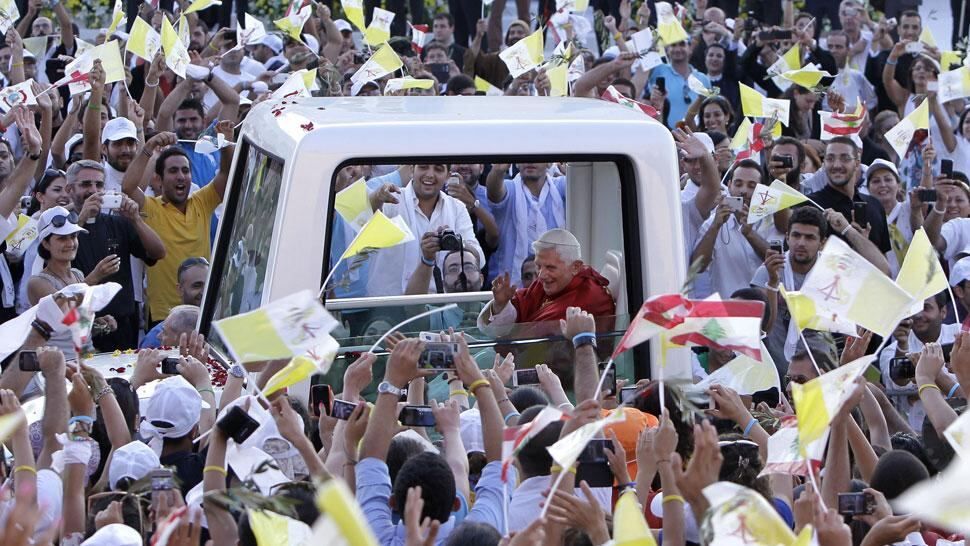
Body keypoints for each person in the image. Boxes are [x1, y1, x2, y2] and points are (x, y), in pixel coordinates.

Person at [120, 126, 231, 325]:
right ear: (159, 179)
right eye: (173, 171)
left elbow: (226, 174)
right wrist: (149, 147)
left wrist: (225, 144)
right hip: (165, 317)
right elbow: (128, 187)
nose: (180, 176)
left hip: (201, 311)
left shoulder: (202, 202)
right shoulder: (150, 207)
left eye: (185, 171)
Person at [67, 160, 166, 351]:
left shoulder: (118, 223)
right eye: (86, 184)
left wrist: (135, 219)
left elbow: (158, 252)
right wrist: (81, 219)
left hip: (122, 323)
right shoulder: (61, 226)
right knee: (83, 368)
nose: (93, 190)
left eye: (99, 185)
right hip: (82, 320)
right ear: (70, 189)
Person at [366, 163, 484, 296]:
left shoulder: (457, 208)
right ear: (412, 170)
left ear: (447, 176)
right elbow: (361, 221)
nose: (430, 174)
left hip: (438, 304)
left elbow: (479, 258)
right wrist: (376, 198)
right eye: (423, 167)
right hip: (387, 301)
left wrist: (455, 242)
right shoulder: (390, 199)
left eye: (438, 169)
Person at [478, 228, 614, 331]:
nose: (541, 275)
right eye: (538, 266)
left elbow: (533, 340)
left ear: (575, 267)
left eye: (550, 267)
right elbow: (521, 303)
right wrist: (500, 304)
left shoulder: (589, 298)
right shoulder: (548, 283)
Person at [803, 138, 893, 269]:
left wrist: (854, 236)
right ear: (824, 163)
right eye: (830, 159)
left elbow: (884, 269)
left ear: (857, 163)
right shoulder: (810, 205)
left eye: (845, 158)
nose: (836, 165)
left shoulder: (875, 205)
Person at [878, 293, 959, 431]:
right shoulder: (891, 350)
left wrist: (923, 381)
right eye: (914, 309)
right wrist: (902, 346)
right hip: (917, 433)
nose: (918, 315)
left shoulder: (960, 336)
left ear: (943, 312)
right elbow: (897, 388)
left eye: (926, 307)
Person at [692, 159, 771, 299]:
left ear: (762, 190)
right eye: (738, 184)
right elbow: (698, 267)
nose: (743, 191)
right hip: (729, 307)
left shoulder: (770, 220)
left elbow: (776, 261)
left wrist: (750, 234)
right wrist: (715, 227)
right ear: (729, 185)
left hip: (765, 306)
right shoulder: (714, 221)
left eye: (752, 186)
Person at [484, 162, 566, 286]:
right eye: (524, 156)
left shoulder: (561, 186)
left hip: (557, 285)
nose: (529, 160)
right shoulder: (510, 188)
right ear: (517, 163)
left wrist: (574, 174)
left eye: (536, 156)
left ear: (549, 163)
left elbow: (583, 191)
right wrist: (497, 171)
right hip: (514, 287)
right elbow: (494, 193)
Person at [140, 258, 208, 349]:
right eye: (197, 286)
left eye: (208, 285)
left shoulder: (218, 330)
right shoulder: (157, 338)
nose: (205, 292)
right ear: (180, 289)